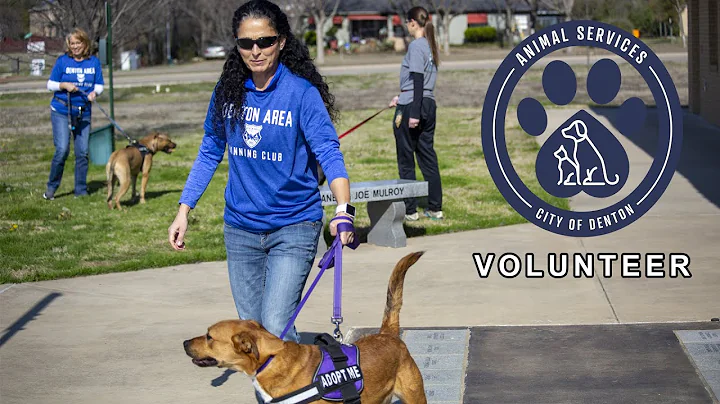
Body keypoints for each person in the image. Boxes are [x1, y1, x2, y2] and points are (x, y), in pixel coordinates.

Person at [168, 0, 355, 345]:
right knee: (252, 333)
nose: (255, 51)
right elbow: (210, 149)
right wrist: (184, 211)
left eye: (265, 41)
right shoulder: (228, 93)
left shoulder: (301, 94)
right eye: (246, 43)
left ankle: (294, 395)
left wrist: (343, 211)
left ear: (281, 41)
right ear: (237, 44)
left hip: (294, 224)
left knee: (275, 326)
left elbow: (328, 153)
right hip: (241, 229)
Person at [389, 6, 443, 221]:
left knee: (405, 159)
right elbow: (417, 85)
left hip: (414, 105)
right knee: (427, 156)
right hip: (427, 103)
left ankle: (410, 210)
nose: (407, 27)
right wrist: (400, 97)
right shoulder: (431, 46)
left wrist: (413, 111)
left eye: (407, 23)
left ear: (413, 22)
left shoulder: (416, 46)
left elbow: (418, 80)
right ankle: (435, 207)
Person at [44, 28, 104, 200]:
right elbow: (50, 84)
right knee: (62, 149)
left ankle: (80, 190)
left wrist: (94, 93)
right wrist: (63, 85)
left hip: (83, 111)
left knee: (82, 152)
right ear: (69, 45)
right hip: (61, 110)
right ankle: (51, 188)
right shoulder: (63, 61)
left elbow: (99, 85)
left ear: (85, 43)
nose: (75, 46)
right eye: (72, 43)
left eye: (78, 43)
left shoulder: (93, 62)